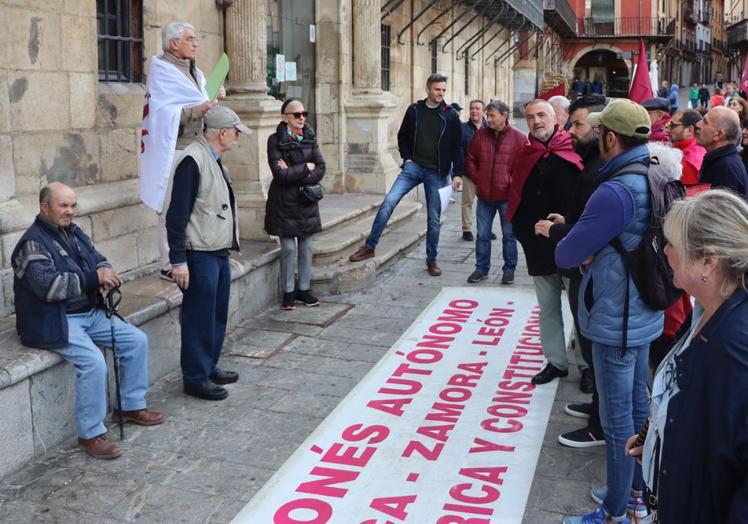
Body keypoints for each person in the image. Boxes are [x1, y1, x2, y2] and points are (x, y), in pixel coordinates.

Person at [556, 99, 663, 524]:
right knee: (638, 412)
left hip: (617, 320)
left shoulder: (615, 188)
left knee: (619, 424)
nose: (592, 136)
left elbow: (567, 252)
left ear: (610, 138)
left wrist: (586, 250)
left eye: (598, 131)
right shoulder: (654, 171)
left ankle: (615, 512)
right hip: (641, 313)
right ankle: (635, 492)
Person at [11, 183, 164, 460]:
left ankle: (129, 405)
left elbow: (97, 258)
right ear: (44, 207)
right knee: (93, 363)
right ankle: (90, 433)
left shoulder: (74, 232)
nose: (70, 211)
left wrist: (105, 268)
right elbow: (49, 288)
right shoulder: (31, 243)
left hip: (89, 313)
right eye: (63, 206)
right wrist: (94, 278)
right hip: (56, 319)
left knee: (135, 340)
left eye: (73, 206)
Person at [627, 189, 748, 523]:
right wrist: (659, 441)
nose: (665, 252)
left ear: (708, 260)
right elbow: (688, 399)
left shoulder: (736, 345)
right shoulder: (705, 309)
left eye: (671, 245)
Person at [535, 94, 608, 448]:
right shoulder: (594, 162)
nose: (570, 129)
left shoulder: (598, 168)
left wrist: (562, 231)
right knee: (578, 323)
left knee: (595, 339)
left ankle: (601, 421)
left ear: (603, 131)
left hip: (591, 265)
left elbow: (596, 225)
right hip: (558, 251)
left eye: (577, 124)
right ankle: (597, 409)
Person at [166, 106, 247, 401]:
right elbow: (176, 216)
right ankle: (195, 377)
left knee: (216, 314)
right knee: (199, 317)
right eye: (236, 132)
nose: (238, 137)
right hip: (198, 253)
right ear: (223, 133)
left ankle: (209, 364)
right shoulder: (193, 160)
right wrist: (178, 261)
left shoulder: (213, 159)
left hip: (217, 251)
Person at [349, 74, 463, 276]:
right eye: (437, 89)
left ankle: (431, 259)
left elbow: (457, 147)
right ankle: (370, 246)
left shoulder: (450, 115)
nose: (441, 94)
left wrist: (457, 173)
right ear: (428, 88)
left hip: (436, 173)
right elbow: (402, 136)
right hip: (413, 168)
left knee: (434, 218)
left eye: (444, 90)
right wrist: (407, 158)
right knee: (388, 202)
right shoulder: (415, 110)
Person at [507, 99, 583, 385]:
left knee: (580, 309)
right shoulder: (524, 153)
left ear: (556, 118)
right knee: (548, 308)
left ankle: (586, 366)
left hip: (571, 241)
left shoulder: (574, 150)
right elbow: (516, 196)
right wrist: (523, 233)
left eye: (541, 115)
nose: (536, 121)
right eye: (530, 117)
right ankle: (556, 362)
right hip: (538, 246)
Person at [139, 21, 220, 283]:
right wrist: (200, 109)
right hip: (173, 149)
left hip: (197, 147)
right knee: (171, 206)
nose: (196, 43)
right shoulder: (163, 70)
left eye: (196, 39)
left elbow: (198, 97)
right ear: (174, 43)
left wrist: (213, 96)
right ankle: (167, 263)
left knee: (194, 202)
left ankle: (190, 252)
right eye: (191, 38)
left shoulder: (194, 71)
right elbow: (164, 115)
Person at [265, 99, 326, 310]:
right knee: (289, 247)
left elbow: (321, 167)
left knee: (307, 246)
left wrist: (297, 172)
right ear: (285, 117)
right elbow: (280, 174)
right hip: (284, 203)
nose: (301, 118)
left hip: (306, 201)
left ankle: (304, 289)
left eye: (304, 113)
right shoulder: (274, 140)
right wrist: (305, 168)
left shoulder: (310, 137)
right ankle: (289, 291)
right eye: (296, 114)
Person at [464, 100, 526, 285]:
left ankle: (509, 270)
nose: (488, 119)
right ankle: (481, 269)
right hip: (484, 196)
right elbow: (470, 159)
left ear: (504, 116)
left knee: (509, 235)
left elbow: (523, 168)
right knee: (482, 235)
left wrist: (511, 182)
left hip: (507, 197)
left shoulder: (519, 138)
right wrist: (478, 178)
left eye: (492, 115)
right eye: (487, 115)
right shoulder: (480, 135)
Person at [695, 105, 748, 196]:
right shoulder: (721, 161)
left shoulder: (726, 169)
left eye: (705, 122)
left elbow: (717, 209)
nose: (697, 125)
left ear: (718, 134)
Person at [459, 99, 487, 242]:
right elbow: (460, 150)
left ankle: (484, 229)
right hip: (469, 172)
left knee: (485, 203)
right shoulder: (463, 128)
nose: (474, 111)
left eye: (477, 108)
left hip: (486, 174)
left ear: (483, 111)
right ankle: (467, 229)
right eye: (472, 108)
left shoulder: (490, 128)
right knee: (467, 202)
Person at [668, 109, 706, 186]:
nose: (668, 129)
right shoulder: (699, 147)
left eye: (673, 126)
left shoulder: (688, 162)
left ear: (689, 130)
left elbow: (682, 194)